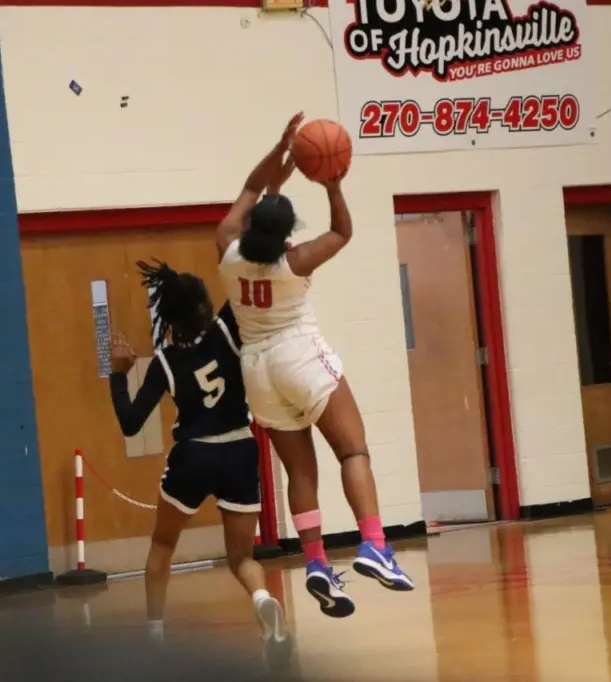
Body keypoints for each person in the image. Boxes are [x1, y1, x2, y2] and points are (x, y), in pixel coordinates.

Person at [215, 113, 415, 619]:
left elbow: (251, 188)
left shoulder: (227, 247)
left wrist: (280, 155)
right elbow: (342, 232)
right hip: (298, 354)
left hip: (257, 370)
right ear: (287, 236)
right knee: (352, 450)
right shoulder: (295, 261)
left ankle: (316, 562)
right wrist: (333, 186)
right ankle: (374, 545)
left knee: (300, 470)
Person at [108, 259, 292, 661]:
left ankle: (155, 638)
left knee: (162, 545)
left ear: (169, 318)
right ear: (205, 307)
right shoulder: (227, 328)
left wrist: (118, 374)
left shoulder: (165, 363)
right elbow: (247, 278)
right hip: (240, 449)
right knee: (242, 557)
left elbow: (130, 423)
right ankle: (262, 598)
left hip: (194, 456)